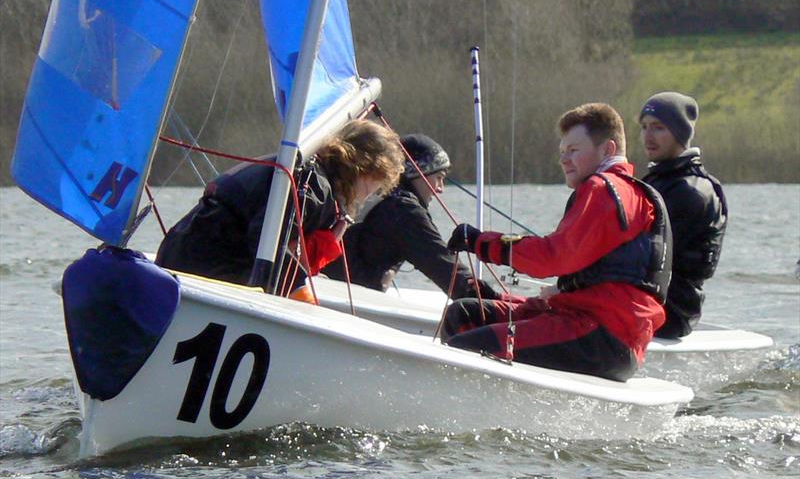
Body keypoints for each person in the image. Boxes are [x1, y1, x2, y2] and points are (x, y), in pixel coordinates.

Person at [442, 103, 671, 382]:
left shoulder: (603, 189)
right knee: (464, 313)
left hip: (599, 335)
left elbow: (552, 257)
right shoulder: (624, 192)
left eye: (574, 151)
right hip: (599, 329)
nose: (564, 159)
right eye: (562, 152)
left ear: (608, 150)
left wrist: (480, 242)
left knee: (462, 349)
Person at [155, 119, 405, 290]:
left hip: (183, 253)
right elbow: (267, 241)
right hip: (202, 268)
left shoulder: (311, 174)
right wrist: (297, 292)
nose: (372, 193)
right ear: (366, 167)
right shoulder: (312, 185)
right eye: (378, 182)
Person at [322, 134, 499, 299]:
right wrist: (488, 302)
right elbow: (443, 265)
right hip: (349, 301)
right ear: (416, 173)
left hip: (330, 288)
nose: (440, 188)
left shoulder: (380, 197)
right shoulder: (402, 209)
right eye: (438, 177)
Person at [639, 92, 727, 338]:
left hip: (671, 312)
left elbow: (643, 256)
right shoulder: (660, 180)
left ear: (679, 132)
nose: (647, 136)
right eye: (644, 127)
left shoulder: (692, 192)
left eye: (658, 127)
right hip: (644, 301)